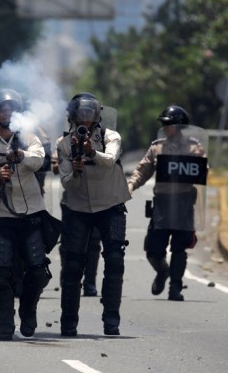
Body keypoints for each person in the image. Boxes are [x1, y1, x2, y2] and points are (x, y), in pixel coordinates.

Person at [0, 88, 51, 341]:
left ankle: (28, 311)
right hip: (0, 216)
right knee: (1, 273)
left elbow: (40, 160)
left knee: (39, 271)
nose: (7, 113)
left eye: (11, 109)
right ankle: (5, 323)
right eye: (2, 109)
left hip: (31, 215)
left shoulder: (29, 137)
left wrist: (22, 155)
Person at [57, 92, 130, 337]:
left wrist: (91, 153)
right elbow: (67, 183)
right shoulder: (64, 144)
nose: (85, 119)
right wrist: (76, 171)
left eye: (90, 113)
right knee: (73, 265)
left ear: (97, 115)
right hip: (77, 208)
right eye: (81, 114)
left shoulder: (111, 136)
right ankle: (68, 323)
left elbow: (109, 161)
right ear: (73, 117)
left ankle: (111, 320)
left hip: (110, 205)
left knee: (115, 260)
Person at [127, 105, 206, 301]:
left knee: (180, 247)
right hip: (162, 204)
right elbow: (142, 170)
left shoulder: (194, 148)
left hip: (183, 203)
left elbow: (204, 171)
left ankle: (176, 287)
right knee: (153, 249)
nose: (166, 127)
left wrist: (201, 162)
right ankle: (163, 271)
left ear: (180, 126)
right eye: (164, 124)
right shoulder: (157, 147)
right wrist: (130, 186)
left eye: (169, 124)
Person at [52, 135, 101, 297]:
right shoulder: (63, 142)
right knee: (68, 244)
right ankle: (68, 279)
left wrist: (93, 154)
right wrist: (70, 163)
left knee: (94, 243)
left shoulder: (103, 139)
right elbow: (55, 168)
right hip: (72, 201)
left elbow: (111, 164)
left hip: (97, 200)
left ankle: (90, 282)